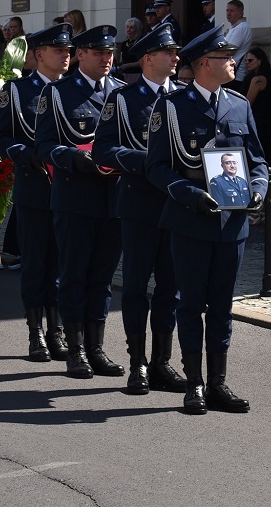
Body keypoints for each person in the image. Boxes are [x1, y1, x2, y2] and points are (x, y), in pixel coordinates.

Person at [145, 24, 268, 415]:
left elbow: (258, 160)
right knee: (190, 303)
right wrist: (190, 194)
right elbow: (158, 167)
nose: (233, 61)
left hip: (231, 225)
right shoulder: (172, 107)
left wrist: (259, 189)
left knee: (222, 305)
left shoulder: (239, 105)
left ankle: (218, 383)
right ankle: (194, 383)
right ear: (203, 65)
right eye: (224, 57)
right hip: (190, 220)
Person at [94, 23, 187, 395]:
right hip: (139, 204)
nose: (177, 58)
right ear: (149, 59)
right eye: (169, 53)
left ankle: (162, 362)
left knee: (171, 287)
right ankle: (138, 364)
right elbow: (103, 149)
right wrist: (143, 161)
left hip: (175, 205)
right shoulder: (123, 99)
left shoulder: (182, 97)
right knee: (135, 286)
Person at [35, 24, 126, 379]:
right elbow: (42, 145)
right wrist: (72, 157)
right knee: (74, 274)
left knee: (102, 277)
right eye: (98, 53)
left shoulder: (121, 93)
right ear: (81, 55)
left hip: (114, 197)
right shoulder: (57, 94)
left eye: (110, 53)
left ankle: (96, 347)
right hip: (75, 196)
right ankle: (75, 351)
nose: (106, 59)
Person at [0, 22, 73, 362]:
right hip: (35, 188)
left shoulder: (74, 90)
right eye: (59, 51)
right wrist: (24, 155)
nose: (66, 56)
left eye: (69, 51)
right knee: (36, 263)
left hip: (70, 191)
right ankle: (35, 331)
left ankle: (58, 330)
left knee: (62, 264)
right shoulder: (17, 91)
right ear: (39, 55)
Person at [236, 47, 271, 167]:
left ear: (260, 61)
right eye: (246, 60)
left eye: (250, 60)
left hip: (257, 127)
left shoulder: (258, 80)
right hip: (264, 128)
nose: (246, 62)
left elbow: (246, 103)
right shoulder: (266, 78)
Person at [223, 0, 252, 82]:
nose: (228, 14)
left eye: (232, 11)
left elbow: (229, 51)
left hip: (236, 75)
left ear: (240, 13)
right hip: (230, 73)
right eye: (227, 11)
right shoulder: (234, 27)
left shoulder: (241, 28)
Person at [116, 17, 144, 82]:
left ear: (137, 29)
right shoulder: (124, 44)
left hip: (137, 76)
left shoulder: (141, 43)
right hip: (124, 76)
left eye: (131, 27)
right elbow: (121, 61)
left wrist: (126, 66)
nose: (128, 30)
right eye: (127, 27)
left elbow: (143, 62)